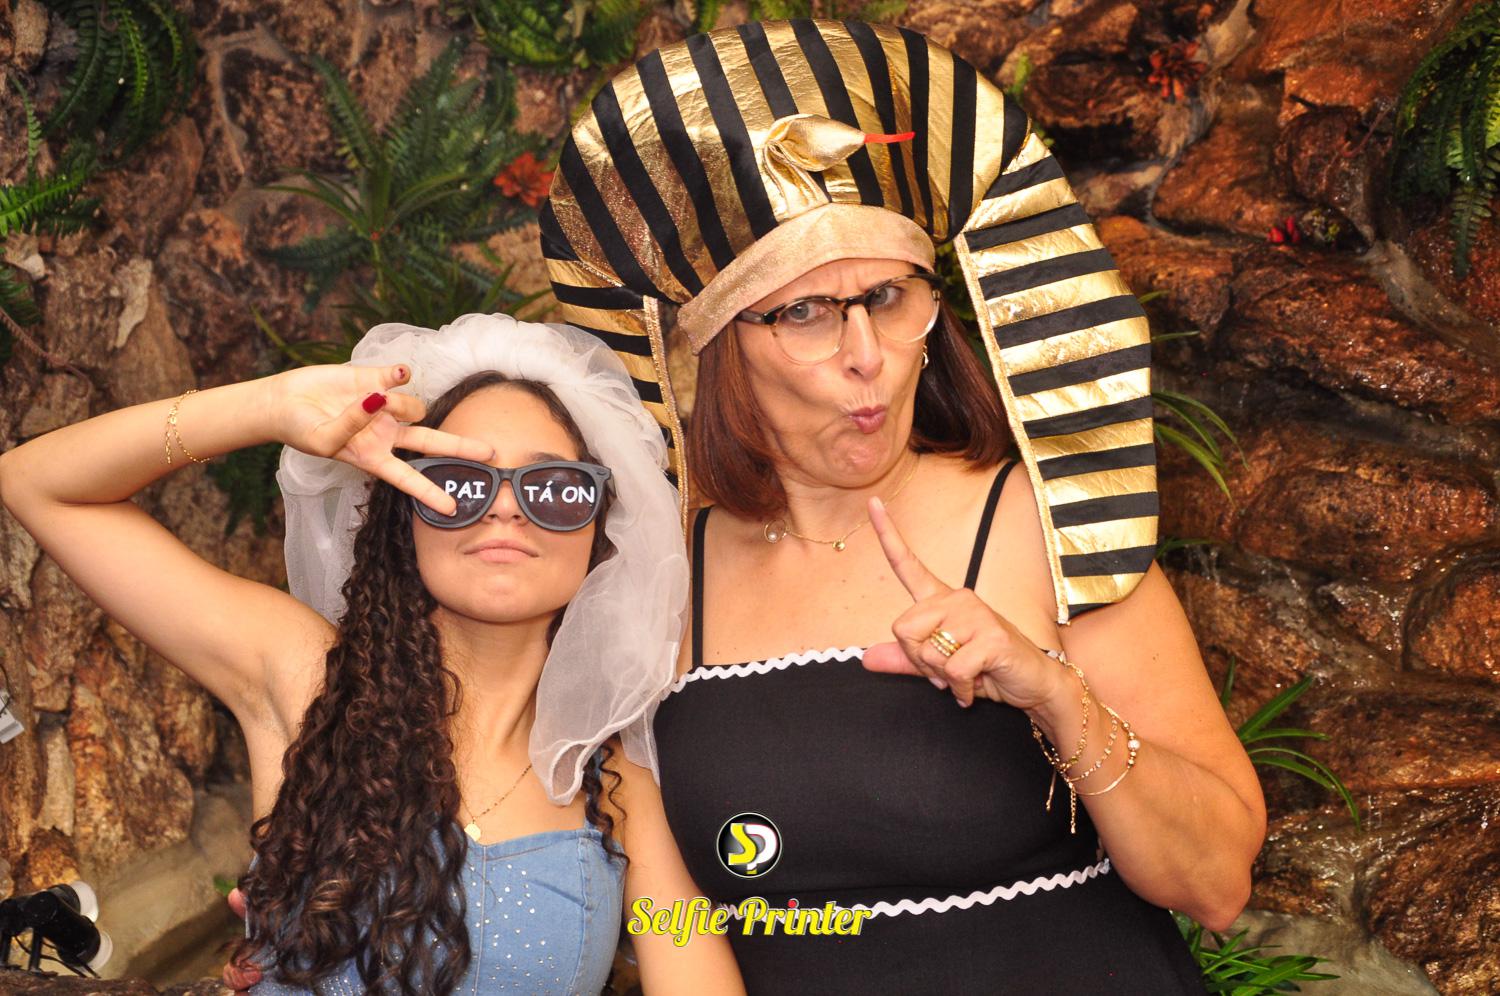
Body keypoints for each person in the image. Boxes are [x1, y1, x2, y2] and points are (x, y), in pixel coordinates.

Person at [539, 18, 1267, 993]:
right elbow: (672, 916)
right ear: (716, 351)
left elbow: (1216, 884)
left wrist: (1056, 695)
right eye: (803, 313)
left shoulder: (1043, 522)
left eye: (888, 298)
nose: (867, 357)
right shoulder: (662, 581)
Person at [0, 314, 743, 995]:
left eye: (554, 487)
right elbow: (38, 485)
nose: (506, 507)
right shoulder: (307, 680)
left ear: (599, 528)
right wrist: (270, 406)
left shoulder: (614, 780)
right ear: (401, 509)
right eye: (459, 481)